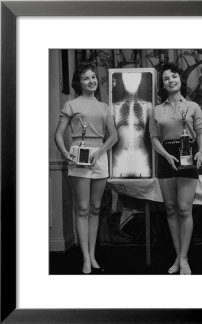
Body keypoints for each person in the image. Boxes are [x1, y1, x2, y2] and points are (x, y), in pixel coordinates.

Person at [54, 62, 118, 274]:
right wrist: (66, 155)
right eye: (86, 78)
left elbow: (114, 136)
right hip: (77, 157)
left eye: (93, 78)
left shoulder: (104, 107)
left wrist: (99, 153)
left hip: (99, 157)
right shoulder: (71, 105)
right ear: (78, 83)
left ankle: (92, 254)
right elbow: (57, 134)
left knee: (96, 208)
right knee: (82, 208)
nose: (91, 81)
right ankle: (85, 258)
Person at [149, 63, 202, 275]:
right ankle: (178, 255)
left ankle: (183, 259)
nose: (171, 80)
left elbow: (200, 134)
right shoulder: (157, 109)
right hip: (166, 157)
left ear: (180, 80)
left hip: (188, 154)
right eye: (166, 78)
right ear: (162, 84)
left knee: (184, 209)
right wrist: (165, 155)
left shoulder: (193, 106)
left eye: (174, 76)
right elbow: (154, 139)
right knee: (171, 209)